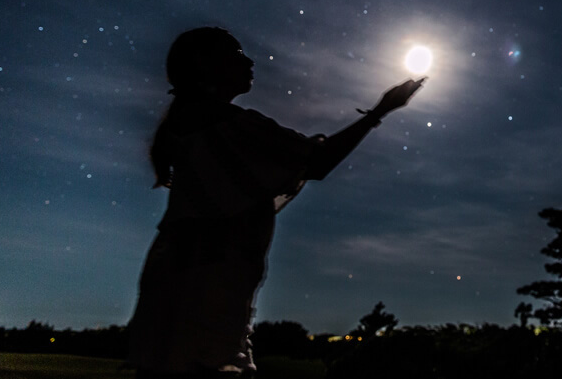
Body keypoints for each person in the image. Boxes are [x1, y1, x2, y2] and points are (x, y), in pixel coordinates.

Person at [128, 27, 423, 377]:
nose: (250, 62)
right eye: (237, 55)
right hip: (208, 294)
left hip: (177, 285)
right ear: (206, 64)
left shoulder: (190, 127)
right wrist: (380, 110)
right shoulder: (230, 125)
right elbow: (317, 162)